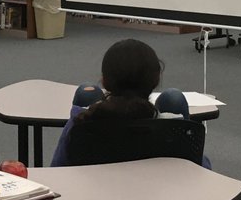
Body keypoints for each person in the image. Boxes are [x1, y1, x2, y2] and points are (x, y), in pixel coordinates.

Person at [51, 38, 194, 167]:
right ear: (156, 81)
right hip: (156, 188)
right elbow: (200, 170)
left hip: (95, 188)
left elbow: (58, 168)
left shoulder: (80, 123)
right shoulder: (174, 127)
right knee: (173, 97)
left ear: (104, 81)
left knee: (86, 91)